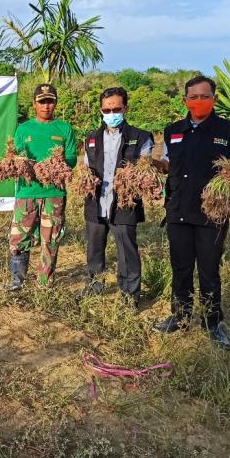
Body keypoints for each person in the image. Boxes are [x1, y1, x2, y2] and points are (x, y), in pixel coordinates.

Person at [152, 75, 230, 349]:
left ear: (214, 99)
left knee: (209, 269)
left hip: (212, 213)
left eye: (204, 96)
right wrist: (156, 166)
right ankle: (179, 316)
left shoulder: (229, 131)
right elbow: (169, 162)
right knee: (180, 266)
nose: (198, 101)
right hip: (178, 209)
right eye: (193, 97)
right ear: (185, 100)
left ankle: (212, 322)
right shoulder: (173, 130)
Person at [81, 87, 154, 307]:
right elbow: (86, 168)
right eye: (106, 109)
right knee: (94, 249)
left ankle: (129, 295)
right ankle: (95, 286)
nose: (111, 113)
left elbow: (144, 168)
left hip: (124, 204)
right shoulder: (92, 138)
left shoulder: (140, 137)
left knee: (127, 251)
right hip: (96, 203)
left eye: (116, 109)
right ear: (101, 111)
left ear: (125, 108)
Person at [7, 83, 77, 291]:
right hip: (27, 192)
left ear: (55, 103)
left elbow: (71, 159)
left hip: (54, 193)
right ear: (34, 104)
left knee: (51, 239)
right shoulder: (24, 129)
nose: (46, 106)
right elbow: (17, 157)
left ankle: (44, 283)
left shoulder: (64, 128)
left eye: (50, 101)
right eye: (42, 102)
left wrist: (56, 163)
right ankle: (17, 281)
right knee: (19, 237)